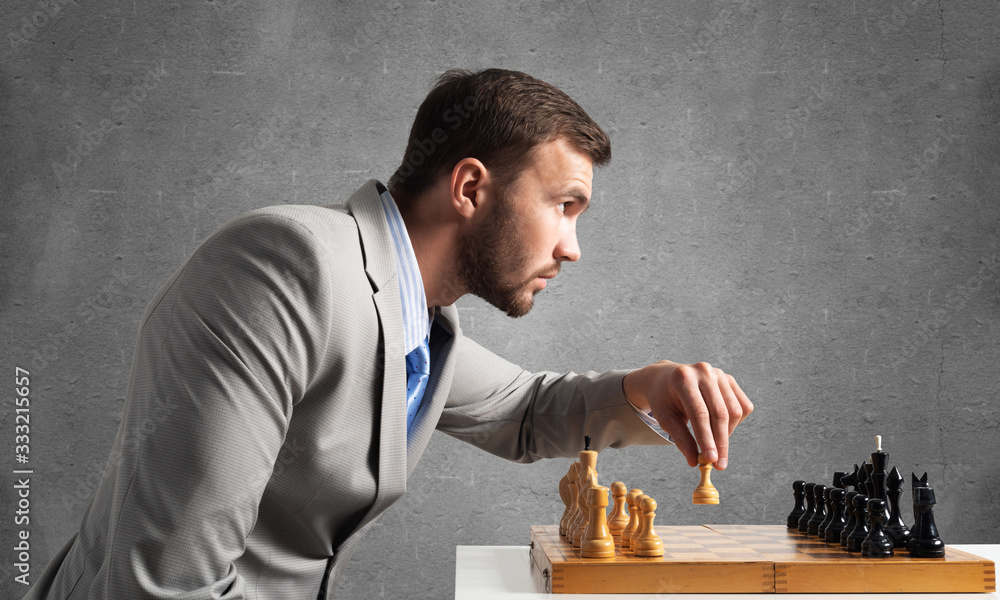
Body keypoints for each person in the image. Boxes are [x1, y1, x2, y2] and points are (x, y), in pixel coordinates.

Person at [24, 68, 752, 600]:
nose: (572, 247)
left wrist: (646, 387)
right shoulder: (288, 269)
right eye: (565, 205)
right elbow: (165, 588)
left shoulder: (418, 319)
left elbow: (525, 411)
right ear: (470, 189)